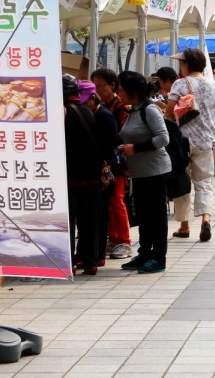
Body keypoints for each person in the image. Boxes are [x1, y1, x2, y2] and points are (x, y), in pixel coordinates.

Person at [166, 48, 215, 241]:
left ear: (187, 64)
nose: (180, 66)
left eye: (182, 63)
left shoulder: (180, 84)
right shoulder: (214, 86)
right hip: (206, 141)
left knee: (182, 181)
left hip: (182, 142)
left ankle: (184, 226)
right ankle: (205, 219)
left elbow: (168, 113)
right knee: (204, 182)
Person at [117, 70, 171, 274]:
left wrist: (135, 149)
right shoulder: (133, 109)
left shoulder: (149, 109)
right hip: (139, 172)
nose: (118, 93)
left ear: (133, 91)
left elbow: (163, 138)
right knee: (144, 215)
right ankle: (145, 253)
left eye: (121, 89)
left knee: (156, 216)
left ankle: (159, 257)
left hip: (155, 171)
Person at [90, 68, 132, 260]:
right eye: (96, 86)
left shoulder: (120, 107)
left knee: (116, 199)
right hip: (104, 162)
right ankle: (113, 238)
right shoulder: (102, 105)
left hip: (117, 163)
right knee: (108, 202)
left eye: (102, 85)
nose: (99, 89)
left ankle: (124, 240)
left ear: (113, 85)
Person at [63, 75, 103, 275]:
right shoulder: (90, 112)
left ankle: (67, 261)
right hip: (93, 176)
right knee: (89, 221)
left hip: (71, 177)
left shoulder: (63, 112)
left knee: (69, 221)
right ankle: (91, 261)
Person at [79, 80, 122, 266]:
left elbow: (112, 143)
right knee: (92, 215)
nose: (82, 106)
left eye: (84, 102)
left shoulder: (104, 116)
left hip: (104, 172)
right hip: (94, 171)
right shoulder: (94, 113)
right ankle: (89, 253)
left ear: (92, 98)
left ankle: (99, 255)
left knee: (100, 214)